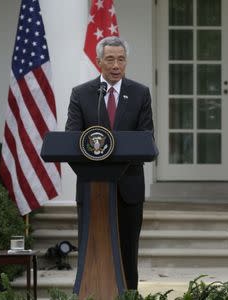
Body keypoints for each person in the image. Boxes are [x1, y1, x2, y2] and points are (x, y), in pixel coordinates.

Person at [65, 36, 154, 290]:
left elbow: (147, 139)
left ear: (126, 62)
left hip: (129, 188)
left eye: (121, 59)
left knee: (127, 253)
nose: (116, 65)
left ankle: (129, 295)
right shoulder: (81, 94)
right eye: (110, 59)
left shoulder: (140, 93)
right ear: (99, 61)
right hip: (92, 188)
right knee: (92, 251)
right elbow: (71, 138)